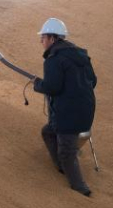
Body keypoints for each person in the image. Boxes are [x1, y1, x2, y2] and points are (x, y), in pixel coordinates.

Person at [33, 18, 97, 197]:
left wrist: (38, 84)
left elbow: (52, 87)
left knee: (67, 152)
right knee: (48, 132)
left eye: (43, 37)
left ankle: (81, 189)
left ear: (53, 39)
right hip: (87, 108)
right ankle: (62, 166)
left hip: (69, 114)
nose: (41, 41)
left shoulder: (53, 59)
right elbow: (94, 81)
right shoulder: (81, 55)